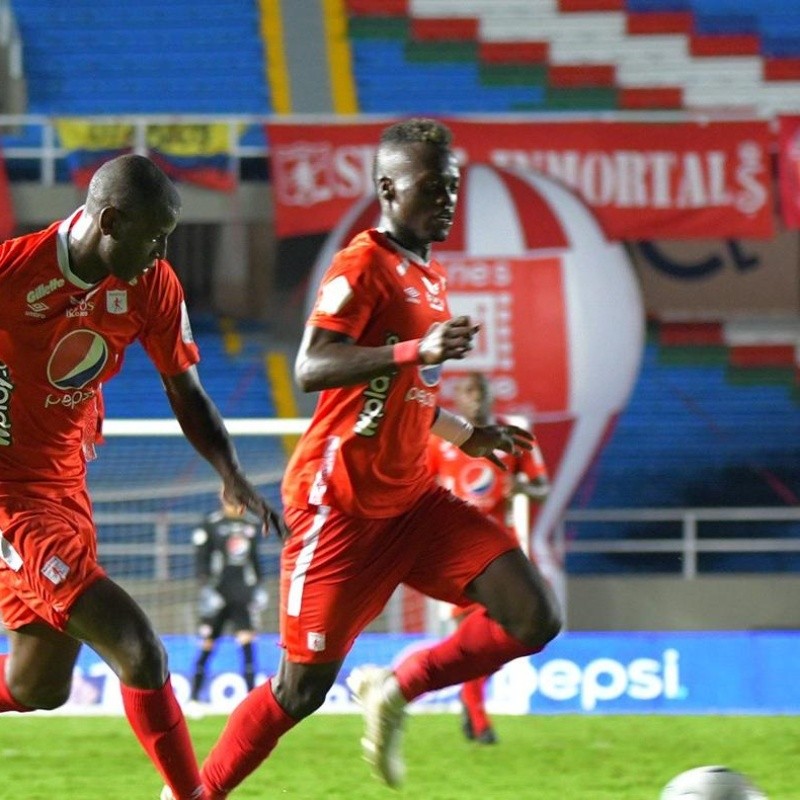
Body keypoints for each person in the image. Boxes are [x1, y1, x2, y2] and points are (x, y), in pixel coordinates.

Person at [164, 117, 562, 800]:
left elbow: (403, 396)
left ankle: (397, 688)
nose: (447, 198)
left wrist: (468, 435)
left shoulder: (427, 278)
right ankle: (193, 794)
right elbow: (313, 365)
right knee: (300, 689)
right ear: (387, 187)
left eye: (454, 186)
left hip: (412, 504)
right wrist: (416, 350)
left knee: (534, 616)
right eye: (432, 187)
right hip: (339, 508)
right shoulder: (364, 264)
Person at [0, 154, 283, 800]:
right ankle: (192, 795)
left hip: (67, 487)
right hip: (10, 498)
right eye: (154, 236)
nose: (162, 251)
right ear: (110, 220)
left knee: (37, 686)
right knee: (140, 650)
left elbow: (186, 392)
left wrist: (230, 473)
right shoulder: (13, 274)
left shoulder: (154, 286)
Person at [428, 372, 550, 745]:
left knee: (504, 637)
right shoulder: (440, 442)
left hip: (501, 551)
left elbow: (542, 488)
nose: (475, 398)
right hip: (457, 553)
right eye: (467, 391)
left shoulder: (512, 437)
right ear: (459, 400)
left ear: (490, 398)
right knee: (473, 638)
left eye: (481, 391)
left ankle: (471, 702)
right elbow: (419, 487)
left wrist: (523, 487)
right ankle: (478, 720)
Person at [188, 492, 269, 711]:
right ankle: (194, 698)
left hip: (242, 594)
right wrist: (206, 589)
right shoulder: (211, 523)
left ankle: (251, 701)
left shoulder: (251, 525)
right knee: (207, 643)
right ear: (221, 498)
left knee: (247, 642)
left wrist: (259, 588)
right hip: (218, 592)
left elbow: (254, 560)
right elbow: (201, 559)